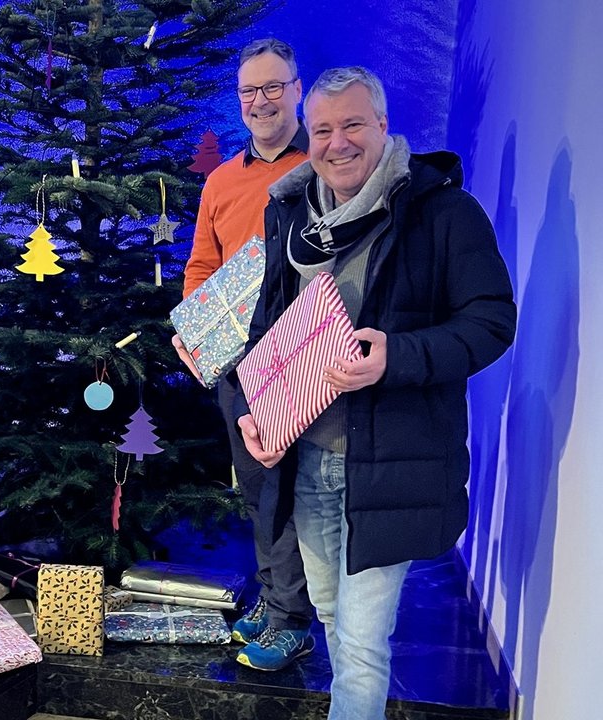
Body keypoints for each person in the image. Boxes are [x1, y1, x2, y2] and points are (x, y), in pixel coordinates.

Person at [232, 67, 516, 719]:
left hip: (386, 472)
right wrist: (257, 410)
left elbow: (492, 322)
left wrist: (398, 356)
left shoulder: (443, 213)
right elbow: (268, 325)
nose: (337, 143)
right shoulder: (295, 215)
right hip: (305, 465)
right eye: (325, 129)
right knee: (331, 618)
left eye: (353, 125)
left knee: (359, 648)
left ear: (384, 126)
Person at [172, 38, 314, 671]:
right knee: (258, 487)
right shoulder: (223, 181)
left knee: (294, 488)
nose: (261, 101)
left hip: (304, 357)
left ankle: (292, 618)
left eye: (273, 87)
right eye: (249, 91)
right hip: (237, 359)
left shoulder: (324, 167)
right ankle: (275, 597)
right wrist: (196, 330)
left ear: (297, 89)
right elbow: (203, 263)